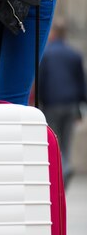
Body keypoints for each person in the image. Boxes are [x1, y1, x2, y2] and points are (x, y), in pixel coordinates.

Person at [39, 17, 87, 186]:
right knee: (66, 142)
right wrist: (81, 107)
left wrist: (39, 104)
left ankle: (61, 171)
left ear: (53, 33)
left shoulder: (45, 54)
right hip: (71, 105)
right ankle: (65, 167)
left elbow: (41, 81)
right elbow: (81, 81)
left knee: (55, 140)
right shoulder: (74, 54)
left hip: (52, 105)